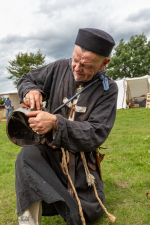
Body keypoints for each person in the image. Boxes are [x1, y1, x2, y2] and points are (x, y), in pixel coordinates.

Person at [16, 28, 118, 225]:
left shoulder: (108, 89)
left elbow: (96, 132)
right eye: (75, 59)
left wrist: (55, 122)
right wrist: (31, 91)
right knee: (26, 157)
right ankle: (27, 222)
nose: (77, 67)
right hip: (48, 154)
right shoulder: (59, 67)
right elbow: (27, 79)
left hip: (81, 166)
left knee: (81, 216)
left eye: (86, 65)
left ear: (104, 63)